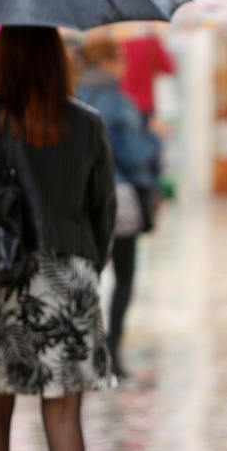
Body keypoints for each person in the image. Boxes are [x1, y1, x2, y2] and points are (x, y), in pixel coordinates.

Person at [0, 26, 117, 451]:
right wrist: (86, 267)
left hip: (5, 275)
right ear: (58, 61)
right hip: (70, 279)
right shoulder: (87, 123)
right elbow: (104, 210)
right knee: (63, 415)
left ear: (4, 62)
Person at [76, 31, 159, 379]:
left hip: (79, 199)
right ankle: (111, 350)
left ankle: (83, 348)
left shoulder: (73, 96)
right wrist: (153, 141)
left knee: (85, 276)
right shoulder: (118, 102)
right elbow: (134, 155)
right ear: (109, 62)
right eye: (120, 60)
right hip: (119, 198)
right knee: (124, 277)